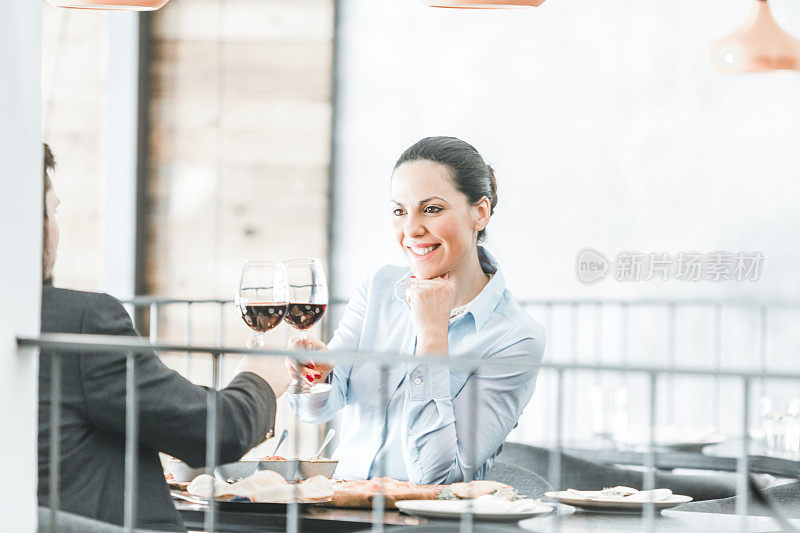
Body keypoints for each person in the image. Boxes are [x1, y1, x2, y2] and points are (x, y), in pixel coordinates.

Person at [37, 143, 293, 531]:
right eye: (53, 210)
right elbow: (214, 433)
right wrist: (260, 380)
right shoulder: (79, 321)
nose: (57, 227)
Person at [287, 136, 545, 485]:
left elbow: (436, 477)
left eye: (432, 209)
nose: (411, 229)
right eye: (399, 211)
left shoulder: (516, 338)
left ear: (479, 213)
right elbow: (316, 410)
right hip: (341, 505)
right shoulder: (378, 288)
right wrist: (316, 375)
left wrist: (433, 339)